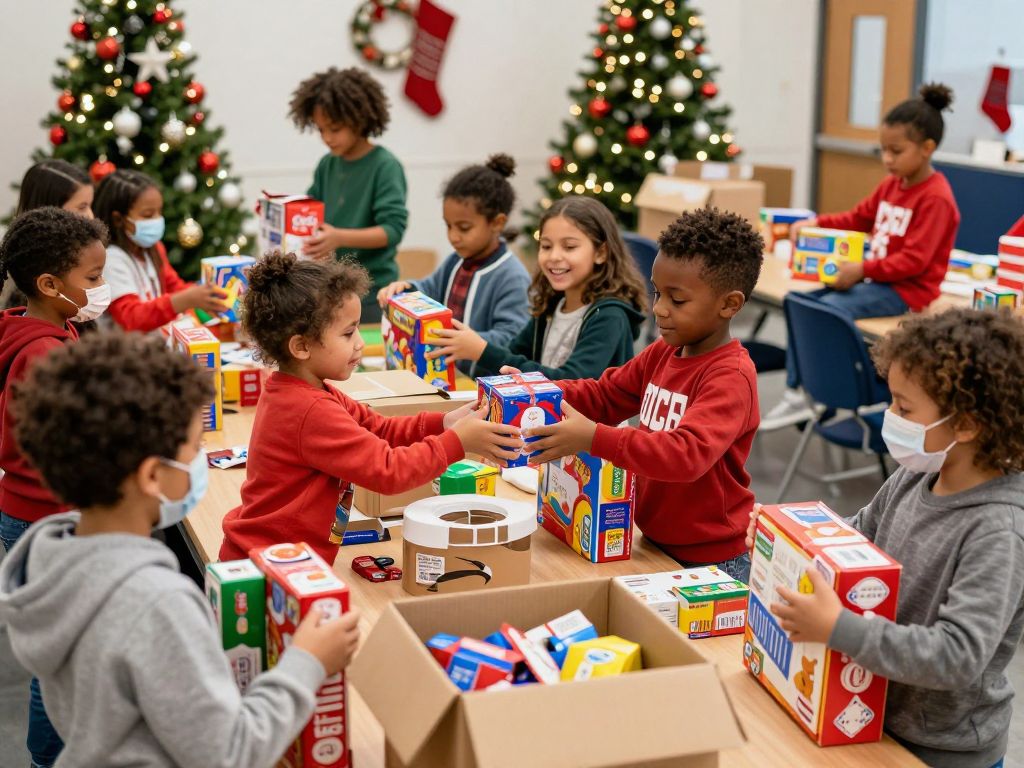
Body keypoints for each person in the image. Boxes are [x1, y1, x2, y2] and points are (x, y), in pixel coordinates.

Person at [0, 332, 362, 767]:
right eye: (195, 448)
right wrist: (306, 662)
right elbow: (230, 754)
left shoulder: (52, 559)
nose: (199, 459)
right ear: (153, 476)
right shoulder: (158, 603)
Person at [749, 308, 1024, 768]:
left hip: (944, 747)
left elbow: (958, 656)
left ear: (967, 424)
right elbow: (854, 539)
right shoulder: (917, 474)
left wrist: (840, 630)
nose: (890, 416)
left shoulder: (998, 530)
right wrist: (785, 536)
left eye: (904, 407)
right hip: (871, 708)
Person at [219, 252, 521, 564]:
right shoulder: (309, 410)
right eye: (348, 333)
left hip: (279, 557)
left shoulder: (310, 392)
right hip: (267, 563)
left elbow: (380, 429)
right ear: (301, 346)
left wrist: (445, 422)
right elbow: (388, 471)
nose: (360, 342)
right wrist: (458, 442)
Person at [524, 208, 763, 583]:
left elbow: (685, 455)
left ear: (729, 305)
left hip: (714, 561)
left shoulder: (730, 376)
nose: (659, 309)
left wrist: (593, 438)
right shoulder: (666, 350)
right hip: (653, 541)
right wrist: (535, 389)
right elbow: (606, 395)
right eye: (657, 293)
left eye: (677, 300)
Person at [763, 83, 961, 430]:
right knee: (798, 301)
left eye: (896, 151)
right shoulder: (892, 184)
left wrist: (860, 270)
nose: (887, 159)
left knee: (830, 312)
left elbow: (913, 262)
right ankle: (801, 394)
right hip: (878, 280)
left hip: (906, 291)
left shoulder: (936, 198)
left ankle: (814, 391)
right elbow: (858, 218)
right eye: (883, 150)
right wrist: (815, 223)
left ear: (927, 148)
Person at [0, 206, 108, 767]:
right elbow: (44, 449)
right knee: (61, 657)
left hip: (41, 514)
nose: (100, 288)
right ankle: (48, 757)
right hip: (43, 518)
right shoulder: (41, 353)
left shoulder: (51, 325)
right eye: (91, 279)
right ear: (49, 284)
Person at [428, 196, 647, 380]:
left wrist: (483, 351)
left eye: (569, 247)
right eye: (546, 246)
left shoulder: (610, 316)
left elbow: (570, 382)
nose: (554, 257)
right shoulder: (551, 306)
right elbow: (512, 356)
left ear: (601, 253)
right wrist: (473, 347)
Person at [376, 153, 530, 376]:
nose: (453, 236)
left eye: (464, 228)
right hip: (448, 377)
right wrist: (407, 289)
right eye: (448, 226)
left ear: (497, 223)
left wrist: (465, 342)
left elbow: (514, 338)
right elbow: (429, 289)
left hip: (486, 385)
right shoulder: (455, 260)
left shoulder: (512, 275)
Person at [290, 67, 408, 322]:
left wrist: (338, 237)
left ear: (360, 119)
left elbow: (392, 231)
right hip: (331, 292)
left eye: (334, 128)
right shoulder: (327, 164)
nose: (327, 138)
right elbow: (312, 213)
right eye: (320, 130)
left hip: (373, 295)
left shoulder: (385, 166)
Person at [93, 169, 227, 332]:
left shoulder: (153, 248)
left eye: (159, 212)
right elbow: (131, 318)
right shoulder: (111, 259)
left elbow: (173, 285)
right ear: (118, 219)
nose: (157, 220)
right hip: (126, 354)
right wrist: (184, 300)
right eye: (148, 215)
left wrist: (204, 296)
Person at [2, 160, 96, 311]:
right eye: (82, 207)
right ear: (51, 210)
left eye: (90, 205)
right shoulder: (23, 275)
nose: (90, 216)